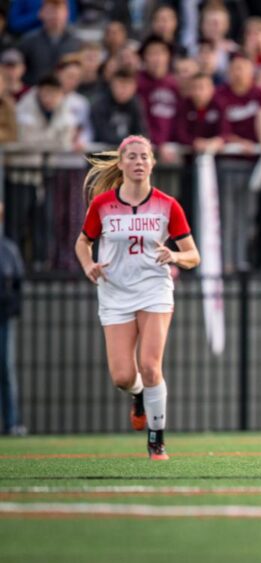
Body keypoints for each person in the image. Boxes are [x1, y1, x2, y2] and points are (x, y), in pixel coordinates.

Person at [74, 135, 200, 459]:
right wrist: (88, 265)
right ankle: (139, 395)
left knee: (149, 364)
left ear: (153, 163)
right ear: (120, 163)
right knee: (122, 376)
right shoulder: (102, 205)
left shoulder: (168, 205)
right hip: (114, 291)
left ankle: (156, 440)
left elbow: (193, 256)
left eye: (144, 156)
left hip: (153, 288)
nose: (139, 162)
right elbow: (82, 243)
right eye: (131, 156)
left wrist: (173, 256)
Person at [0, 203, 25, 436]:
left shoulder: (8, 249)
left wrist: (12, 309)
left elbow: (18, 282)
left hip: (3, 317)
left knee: (6, 369)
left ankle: (12, 423)